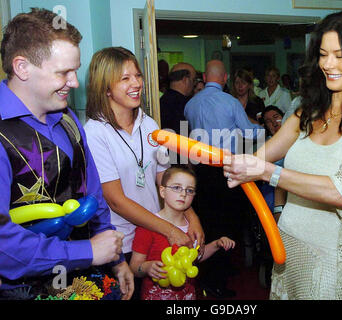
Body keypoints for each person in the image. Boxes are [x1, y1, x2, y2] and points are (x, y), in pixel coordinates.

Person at [223, 8, 342, 300]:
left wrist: (267, 173)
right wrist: (234, 162)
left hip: (334, 258)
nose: (329, 64)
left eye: (340, 55)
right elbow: (263, 157)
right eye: (323, 54)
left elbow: (339, 191)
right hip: (290, 246)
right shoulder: (305, 110)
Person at [0, 8, 133, 299]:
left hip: (84, 279)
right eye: (63, 72)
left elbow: (93, 194)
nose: (75, 82)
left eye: (75, 70)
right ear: (22, 67)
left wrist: (116, 258)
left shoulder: (69, 118)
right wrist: (86, 252)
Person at [84, 47, 204, 299]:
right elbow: (115, 200)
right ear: (105, 88)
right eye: (125, 78)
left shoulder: (148, 124)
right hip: (121, 244)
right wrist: (170, 230)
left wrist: (191, 217)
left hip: (153, 234)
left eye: (137, 76)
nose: (136, 83)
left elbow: (165, 178)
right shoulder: (95, 132)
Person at [184, 59, 265, 298]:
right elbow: (249, 133)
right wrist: (263, 126)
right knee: (228, 224)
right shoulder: (229, 102)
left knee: (207, 223)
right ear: (225, 77)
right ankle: (218, 280)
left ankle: (208, 273)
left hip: (201, 172)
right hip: (225, 171)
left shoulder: (190, 105)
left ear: (205, 77)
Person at [130, 166, 235, 300]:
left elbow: (196, 258)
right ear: (162, 191)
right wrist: (147, 267)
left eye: (189, 190)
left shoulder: (193, 229)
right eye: (176, 187)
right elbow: (134, 266)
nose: (183, 194)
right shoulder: (148, 226)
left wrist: (216, 244)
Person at [160, 62, 196, 135]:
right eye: (193, 80)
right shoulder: (184, 105)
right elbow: (184, 134)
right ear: (185, 80)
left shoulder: (162, 100)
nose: (194, 85)